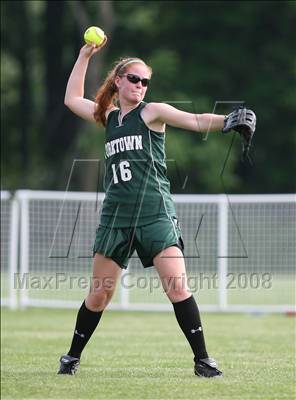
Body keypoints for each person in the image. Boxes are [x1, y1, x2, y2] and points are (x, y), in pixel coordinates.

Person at [58, 37, 226, 378]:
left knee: (177, 286)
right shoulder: (109, 117)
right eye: (134, 79)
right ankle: (71, 357)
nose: (140, 85)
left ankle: (203, 361)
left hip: (155, 213)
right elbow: (71, 98)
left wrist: (229, 121)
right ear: (118, 80)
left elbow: (194, 120)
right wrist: (83, 56)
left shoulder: (152, 112)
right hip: (116, 217)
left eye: (145, 81)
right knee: (99, 296)